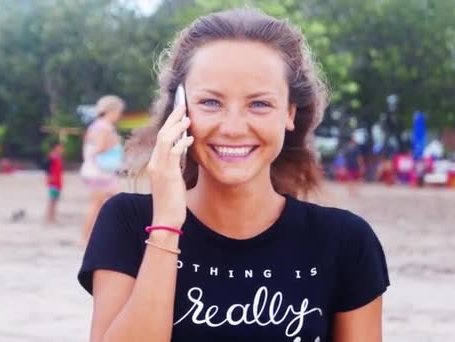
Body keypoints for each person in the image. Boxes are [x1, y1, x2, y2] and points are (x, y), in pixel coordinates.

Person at [78, 8, 389, 342]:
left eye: (259, 104)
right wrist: (166, 226)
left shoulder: (345, 241)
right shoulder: (126, 222)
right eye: (211, 102)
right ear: (180, 109)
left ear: (289, 113)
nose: (233, 128)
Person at [80, 95, 125, 243]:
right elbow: (100, 148)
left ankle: (90, 237)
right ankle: (87, 238)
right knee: (101, 204)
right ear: (111, 110)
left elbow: (89, 147)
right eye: (119, 111)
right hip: (101, 172)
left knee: (101, 204)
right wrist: (114, 143)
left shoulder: (94, 126)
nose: (119, 115)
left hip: (94, 171)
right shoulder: (105, 127)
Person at [45, 141, 64, 223]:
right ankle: (49, 217)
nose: (62, 149)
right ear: (56, 147)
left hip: (58, 182)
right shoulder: (52, 157)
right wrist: (49, 177)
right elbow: (47, 168)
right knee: (52, 200)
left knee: (55, 200)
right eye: (61, 147)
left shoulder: (58, 157)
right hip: (53, 183)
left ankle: (52, 217)